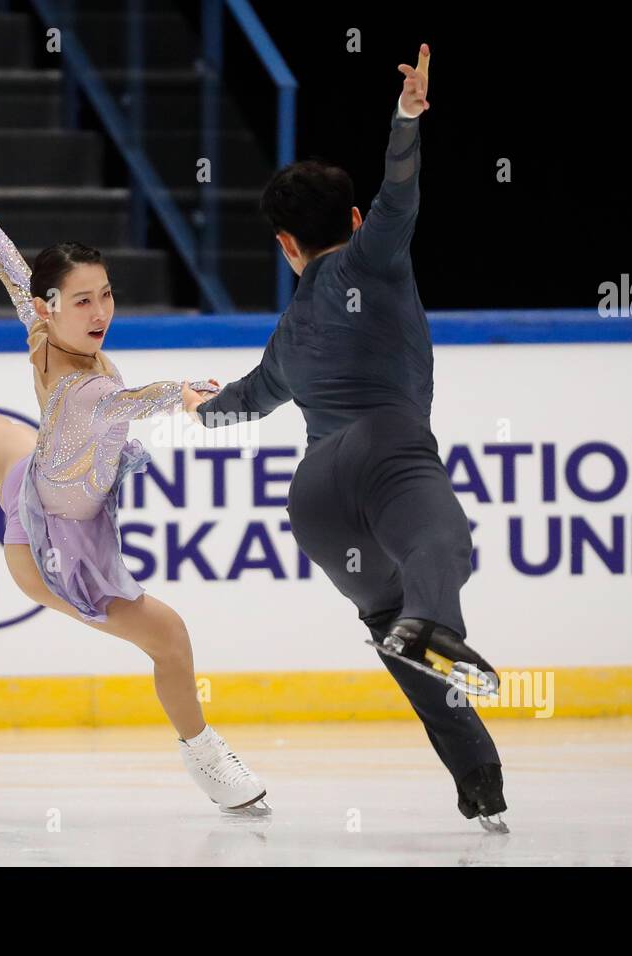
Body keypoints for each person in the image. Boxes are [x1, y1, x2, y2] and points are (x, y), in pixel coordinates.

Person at [0, 150, 269, 814]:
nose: (99, 310)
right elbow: (137, 400)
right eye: (83, 299)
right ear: (52, 307)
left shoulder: (42, 329)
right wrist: (188, 392)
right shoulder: (84, 386)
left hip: (41, 479)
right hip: (54, 554)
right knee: (169, 638)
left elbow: (10, 266)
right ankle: (205, 757)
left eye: (106, 294)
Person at [185, 44, 508, 830]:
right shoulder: (374, 256)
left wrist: (195, 409)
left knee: (391, 626)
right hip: (388, 452)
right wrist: (406, 118)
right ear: (354, 222)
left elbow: (245, 405)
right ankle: (437, 632)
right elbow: (403, 189)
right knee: (446, 548)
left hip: (315, 499)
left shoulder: (289, 333)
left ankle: (479, 782)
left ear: (284, 246)